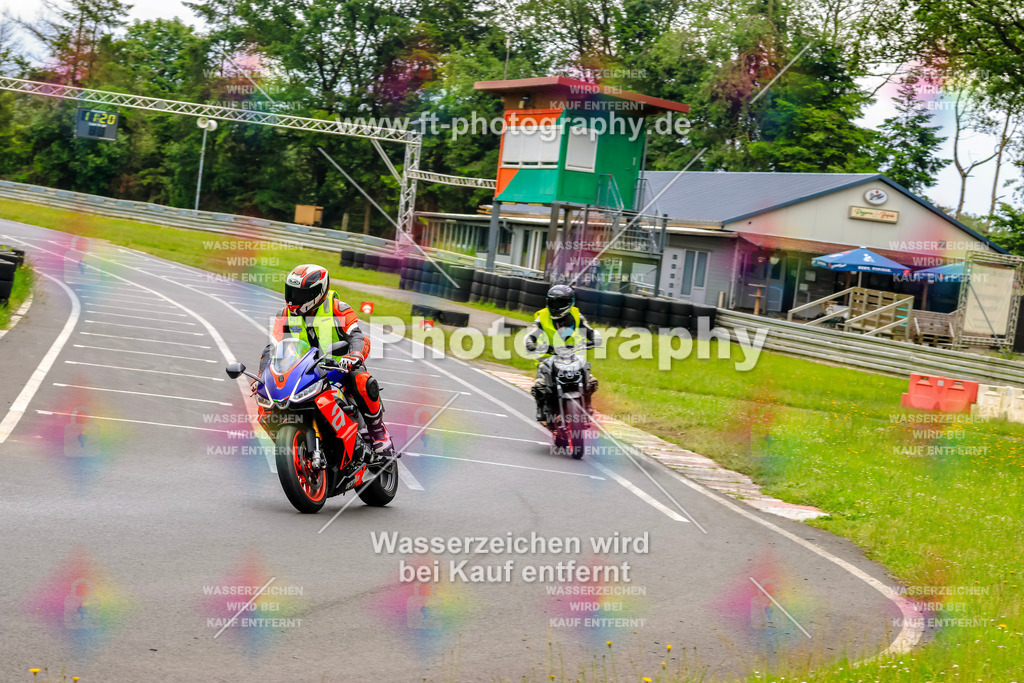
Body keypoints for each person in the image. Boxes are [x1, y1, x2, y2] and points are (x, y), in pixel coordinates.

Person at [261, 264, 394, 455]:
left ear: (318, 291)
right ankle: (292, 443)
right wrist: (263, 374)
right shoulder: (284, 315)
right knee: (266, 400)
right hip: (303, 372)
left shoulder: (337, 307)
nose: (293, 299)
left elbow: (357, 336)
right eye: (291, 292)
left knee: (362, 380)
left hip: (339, 369)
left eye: (300, 294)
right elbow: (271, 348)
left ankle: (377, 431)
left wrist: (354, 356)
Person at [524, 284, 601, 424]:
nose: (555, 305)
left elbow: (589, 330)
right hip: (548, 357)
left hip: (572, 355)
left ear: (570, 303)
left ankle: (587, 405)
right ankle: (543, 408)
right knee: (539, 386)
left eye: (560, 302)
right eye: (553, 301)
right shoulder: (542, 316)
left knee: (591, 381)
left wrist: (595, 337)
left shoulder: (577, 316)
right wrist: (530, 342)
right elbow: (533, 332)